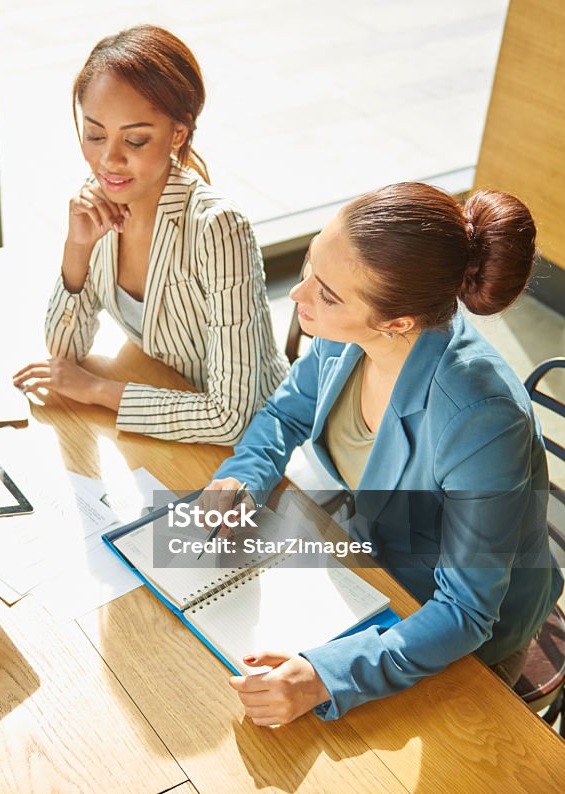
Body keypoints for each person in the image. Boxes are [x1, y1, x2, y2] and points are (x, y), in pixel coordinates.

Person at [207, 182, 564, 726]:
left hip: (456, 625)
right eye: (309, 266)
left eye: (326, 294)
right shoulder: (345, 329)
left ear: (398, 323)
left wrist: (325, 674)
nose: (299, 296)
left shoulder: (482, 420)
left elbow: (465, 611)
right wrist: (244, 477)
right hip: (373, 563)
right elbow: (288, 412)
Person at [13, 25, 287, 444]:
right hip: (161, 409)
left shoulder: (218, 229)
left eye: (136, 140)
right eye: (95, 134)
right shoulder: (99, 203)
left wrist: (98, 391)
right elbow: (65, 355)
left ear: (178, 133)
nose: (109, 160)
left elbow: (233, 417)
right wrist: (77, 248)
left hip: (253, 446)